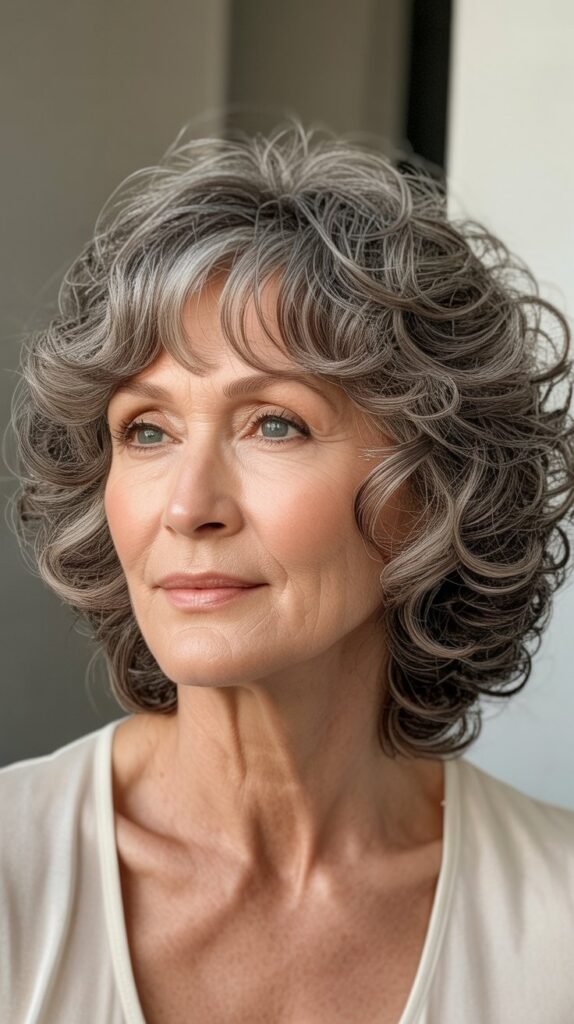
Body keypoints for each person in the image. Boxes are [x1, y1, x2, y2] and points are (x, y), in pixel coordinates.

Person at [2, 122, 574, 1024]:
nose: (189, 506)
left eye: (275, 423)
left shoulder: (559, 926)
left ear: (430, 485)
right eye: (145, 431)